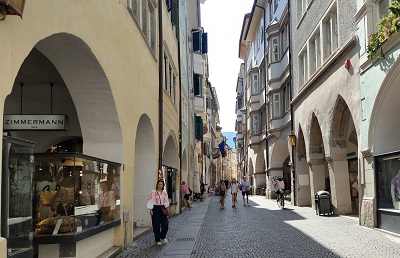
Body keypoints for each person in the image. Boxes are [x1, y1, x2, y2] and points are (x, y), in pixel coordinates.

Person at [147, 180, 170, 246]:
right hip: (155, 208)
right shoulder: (153, 192)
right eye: (159, 184)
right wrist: (150, 209)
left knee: (165, 224)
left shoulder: (164, 192)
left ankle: (162, 237)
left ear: (163, 185)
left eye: (161, 184)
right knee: (156, 225)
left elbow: (166, 201)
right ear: (157, 185)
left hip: (162, 208)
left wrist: (167, 209)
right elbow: (150, 200)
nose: (160, 185)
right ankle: (157, 239)